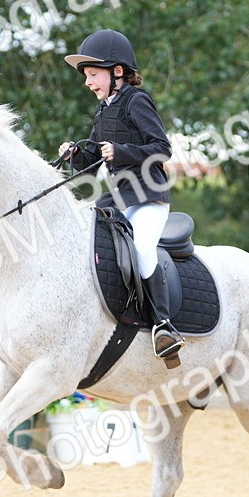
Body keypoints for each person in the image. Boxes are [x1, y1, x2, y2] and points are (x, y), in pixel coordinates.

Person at [60, 28, 184, 363]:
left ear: (117, 72)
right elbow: (91, 164)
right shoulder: (103, 110)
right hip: (116, 200)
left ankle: (164, 326)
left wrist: (122, 151)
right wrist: (75, 154)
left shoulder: (136, 100)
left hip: (147, 198)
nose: (88, 82)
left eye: (93, 74)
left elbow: (162, 149)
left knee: (143, 251)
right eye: (86, 76)